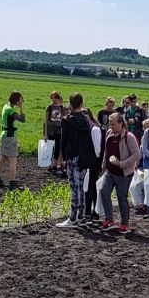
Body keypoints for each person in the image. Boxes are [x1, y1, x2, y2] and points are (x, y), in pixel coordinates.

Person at [56, 93, 98, 228]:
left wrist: (62, 158)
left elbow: (63, 140)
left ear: (70, 103)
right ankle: (81, 216)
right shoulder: (85, 119)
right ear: (82, 103)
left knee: (74, 187)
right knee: (81, 186)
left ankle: (73, 218)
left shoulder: (67, 120)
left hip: (72, 156)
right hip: (84, 157)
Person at [98, 113, 140, 234]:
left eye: (113, 124)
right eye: (110, 124)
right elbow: (106, 151)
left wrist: (122, 164)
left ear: (121, 123)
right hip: (110, 171)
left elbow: (136, 154)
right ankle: (109, 219)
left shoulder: (129, 137)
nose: (111, 126)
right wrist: (104, 165)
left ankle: (124, 223)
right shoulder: (109, 134)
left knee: (122, 198)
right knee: (104, 191)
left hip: (123, 173)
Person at [0, 91, 25, 190]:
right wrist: (21, 107)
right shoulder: (10, 110)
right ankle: (12, 182)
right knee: (13, 159)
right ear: (17, 100)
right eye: (20, 100)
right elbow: (22, 119)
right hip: (9, 136)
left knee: (3, 157)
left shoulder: (5, 107)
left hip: (4, 135)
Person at [83, 108, 103, 222]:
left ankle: (94, 212)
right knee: (88, 187)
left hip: (93, 161)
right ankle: (89, 211)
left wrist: (94, 161)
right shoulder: (87, 128)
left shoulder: (95, 129)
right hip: (88, 161)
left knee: (91, 187)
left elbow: (97, 149)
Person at [43, 91, 67, 177]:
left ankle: (55, 165)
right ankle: (49, 166)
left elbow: (64, 120)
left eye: (55, 98)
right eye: (52, 98)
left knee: (57, 148)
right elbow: (46, 121)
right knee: (50, 148)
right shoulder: (49, 107)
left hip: (58, 130)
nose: (53, 100)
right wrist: (45, 134)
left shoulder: (61, 108)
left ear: (58, 98)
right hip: (50, 130)